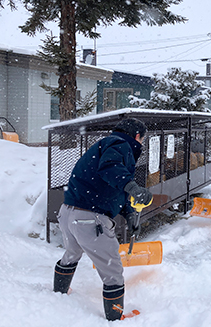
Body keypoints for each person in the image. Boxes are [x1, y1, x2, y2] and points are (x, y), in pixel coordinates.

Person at [53, 118, 153, 321]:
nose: (141, 143)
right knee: (113, 269)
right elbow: (110, 168)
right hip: (90, 219)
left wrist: (130, 213)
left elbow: (113, 185)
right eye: (142, 139)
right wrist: (133, 187)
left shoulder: (104, 144)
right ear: (136, 136)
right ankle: (115, 318)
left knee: (72, 253)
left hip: (68, 213)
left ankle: (58, 295)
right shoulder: (121, 144)